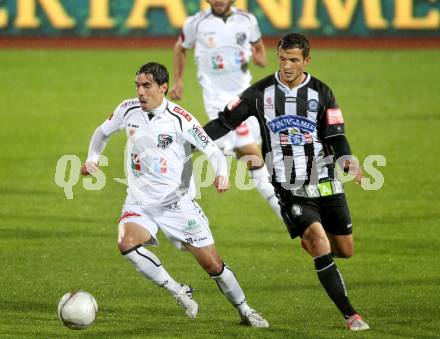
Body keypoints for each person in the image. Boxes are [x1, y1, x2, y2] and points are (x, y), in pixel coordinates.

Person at [80, 62, 268, 328]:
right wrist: (93, 158)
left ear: (163, 87)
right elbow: (102, 132)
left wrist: (222, 174)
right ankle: (178, 291)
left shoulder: (180, 119)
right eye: (137, 86)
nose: (140, 92)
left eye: (146, 86)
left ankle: (245, 310)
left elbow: (212, 150)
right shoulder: (127, 109)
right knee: (127, 244)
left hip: (177, 205)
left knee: (214, 266)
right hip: (140, 201)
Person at [203, 33, 370, 331]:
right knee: (319, 242)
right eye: (282, 59)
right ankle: (351, 315)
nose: (287, 66)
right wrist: (190, 141)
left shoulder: (322, 93)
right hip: (289, 187)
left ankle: (313, 243)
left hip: (326, 182)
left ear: (306, 60)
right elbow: (224, 123)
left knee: (344, 250)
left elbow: (335, 135)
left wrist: (347, 160)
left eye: (294, 60)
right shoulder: (260, 93)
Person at [169, 0, 281, 218]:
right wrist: (179, 81)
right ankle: (290, 214)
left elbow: (259, 51)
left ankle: (202, 152)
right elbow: (180, 48)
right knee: (249, 151)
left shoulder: (248, 20)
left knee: (249, 156)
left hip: (245, 95)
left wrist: (258, 57)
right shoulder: (196, 23)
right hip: (216, 98)